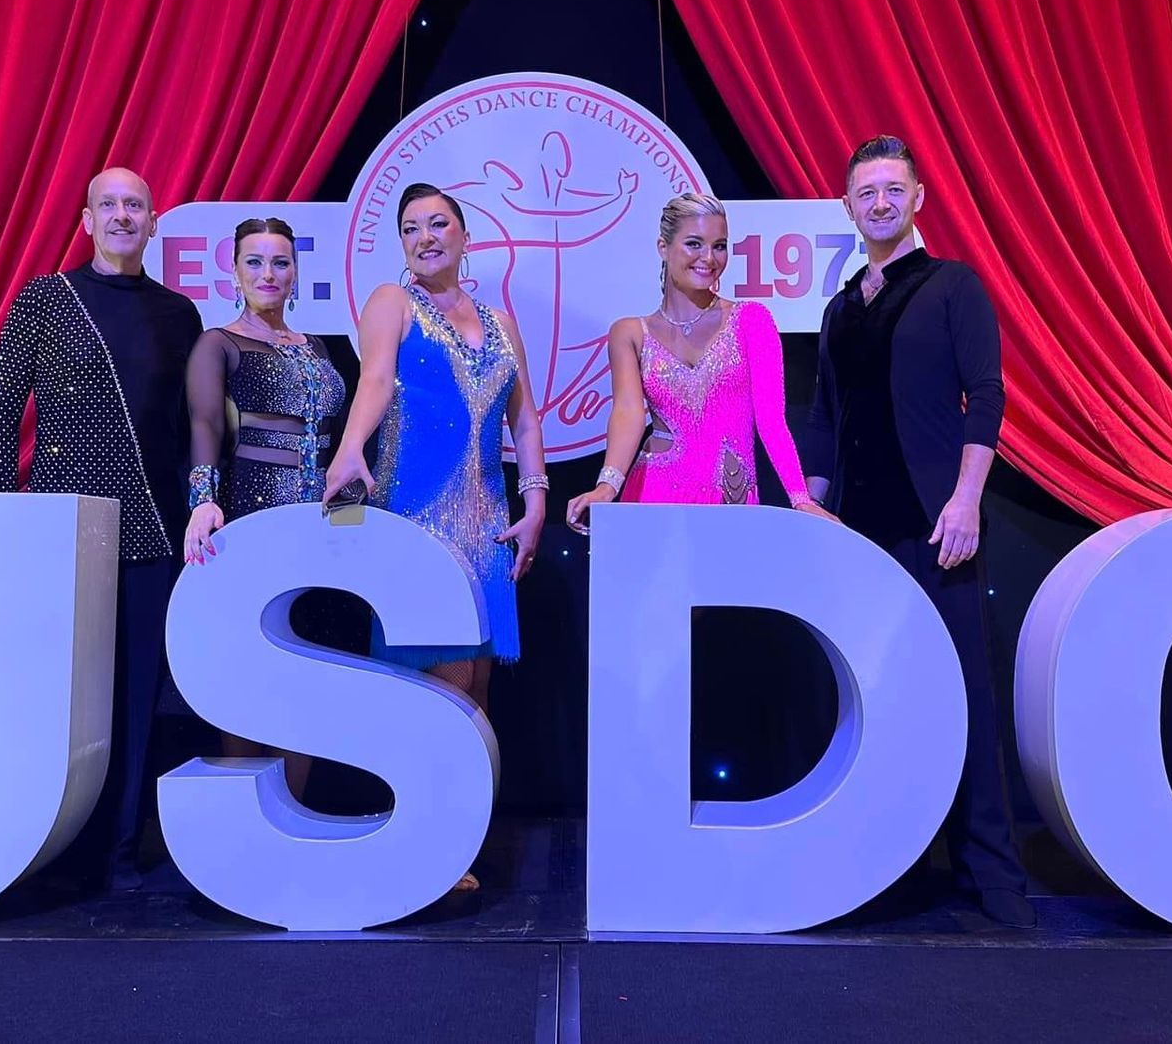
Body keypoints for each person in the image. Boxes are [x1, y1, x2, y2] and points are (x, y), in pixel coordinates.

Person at [802, 135, 1035, 929]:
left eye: (892, 189)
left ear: (918, 198)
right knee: (883, 703)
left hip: (938, 533)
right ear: (846, 206)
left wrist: (967, 500)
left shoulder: (952, 287)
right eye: (865, 191)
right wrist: (814, 515)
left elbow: (988, 395)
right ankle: (896, 864)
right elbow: (828, 421)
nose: (879, 202)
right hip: (861, 543)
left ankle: (994, 877)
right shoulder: (838, 309)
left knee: (966, 696)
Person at [320, 182, 547, 894]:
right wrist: (350, 449)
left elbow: (527, 418)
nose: (426, 236)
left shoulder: (502, 320)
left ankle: (454, 837)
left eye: (438, 223)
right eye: (412, 227)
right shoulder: (391, 302)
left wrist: (537, 497)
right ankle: (425, 841)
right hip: (414, 518)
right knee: (434, 689)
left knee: (474, 689)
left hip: (485, 525)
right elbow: (376, 378)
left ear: (464, 233)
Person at [0, 167, 201, 892]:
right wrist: (4, 510)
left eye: (134, 204)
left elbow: (185, 428)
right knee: (61, 694)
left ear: (154, 220)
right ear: (85, 219)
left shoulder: (180, 314)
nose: (121, 215)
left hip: (152, 526)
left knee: (139, 691)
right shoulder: (46, 297)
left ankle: (118, 850)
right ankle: (54, 849)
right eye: (107, 204)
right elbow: (1, 407)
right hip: (59, 528)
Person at [181, 215, 348, 797]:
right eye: (255, 261)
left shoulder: (318, 347)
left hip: (320, 531)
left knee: (309, 668)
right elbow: (204, 426)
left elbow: (338, 443)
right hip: (254, 520)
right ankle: (243, 813)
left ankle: (292, 810)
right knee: (250, 669)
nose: (268, 273)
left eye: (280, 261)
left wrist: (349, 520)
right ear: (234, 271)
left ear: (297, 272)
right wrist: (203, 502)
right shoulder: (217, 343)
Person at [565, 192, 837, 526]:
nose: (708, 257)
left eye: (719, 245)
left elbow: (771, 421)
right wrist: (607, 486)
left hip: (730, 499)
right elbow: (629, 413)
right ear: (663, 248)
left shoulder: (752, 320)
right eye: (694, 244)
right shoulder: (629, 333)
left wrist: (799, 498)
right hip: (655, 496)